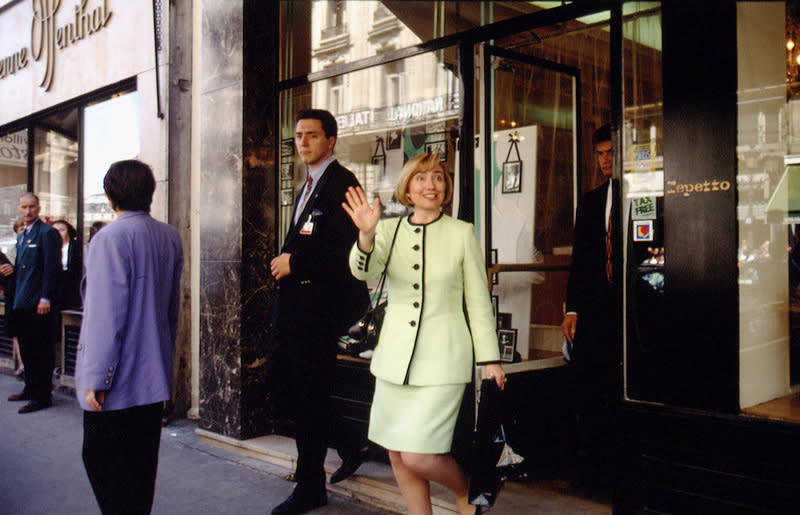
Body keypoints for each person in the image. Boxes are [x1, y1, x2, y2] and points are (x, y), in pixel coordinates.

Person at [342, 152, 506, 515]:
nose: (430, 185)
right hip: (393, 361)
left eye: (438, 178)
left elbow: (478, 301)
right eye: (421, 178)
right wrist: (366, 235)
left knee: (419, 455)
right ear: (407, 188)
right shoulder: (387, 229)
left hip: (444, 361)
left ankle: (468, 491)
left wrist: (490, 359)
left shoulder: (462, 233)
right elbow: (361, 270)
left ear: (446, 188)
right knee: (398, 452)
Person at [269, 109, 370, 515]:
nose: (303, 142)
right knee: (285, 390)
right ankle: (348, 442)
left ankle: (311, 485)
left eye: (312, 135)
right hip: (295, 310)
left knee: (307, 398)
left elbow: (349, 252)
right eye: (298, 135)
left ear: (331, 141)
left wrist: (295, 263)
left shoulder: (343, 183)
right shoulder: (308, 183)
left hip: (320, 312)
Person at [75, 159, 183, 514]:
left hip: (117, 381)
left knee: (102, 462)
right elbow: (170, 310)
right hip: (152, 377)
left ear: (111, 194)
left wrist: (96, 377)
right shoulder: (168, 235)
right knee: (140, 469)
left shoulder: (108, 238)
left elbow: (106, 317)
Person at [560, 123, 622, 488]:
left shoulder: (642, 195)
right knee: (589, 390)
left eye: (611, 152)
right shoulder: (591, 201)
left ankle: (620, 467)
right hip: (595, 312)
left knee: (619, 392)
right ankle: (591, 469)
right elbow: (580, 260)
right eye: (600, 154)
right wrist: (572, 309)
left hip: (628, 312)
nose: (605, 160)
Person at [4, 193, 61, 414]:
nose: (28, 211)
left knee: (41, 351)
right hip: (22, 301)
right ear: (19, 209)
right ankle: (29, 389)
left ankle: (42, 396)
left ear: (39, 208)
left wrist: (46, 297)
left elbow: (51, 269)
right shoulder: (22, 235)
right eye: (24, 207)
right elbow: (24, 269)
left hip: (38, 302)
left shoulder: (47, 233)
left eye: (32, 207)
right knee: (27, 350)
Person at [51, 220, 82, 309]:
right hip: (55, 286)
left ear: (68, 231)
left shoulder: (76, 246)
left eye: (62, 230)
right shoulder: (50, 247)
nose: (58, 233)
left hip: (71, 285)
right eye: (55, 231)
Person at [9, 218, 24, 377]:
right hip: (14, 296)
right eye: (19, 229)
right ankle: (20, 364)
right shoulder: (13, 250)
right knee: (16, 332)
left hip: (26, 296)